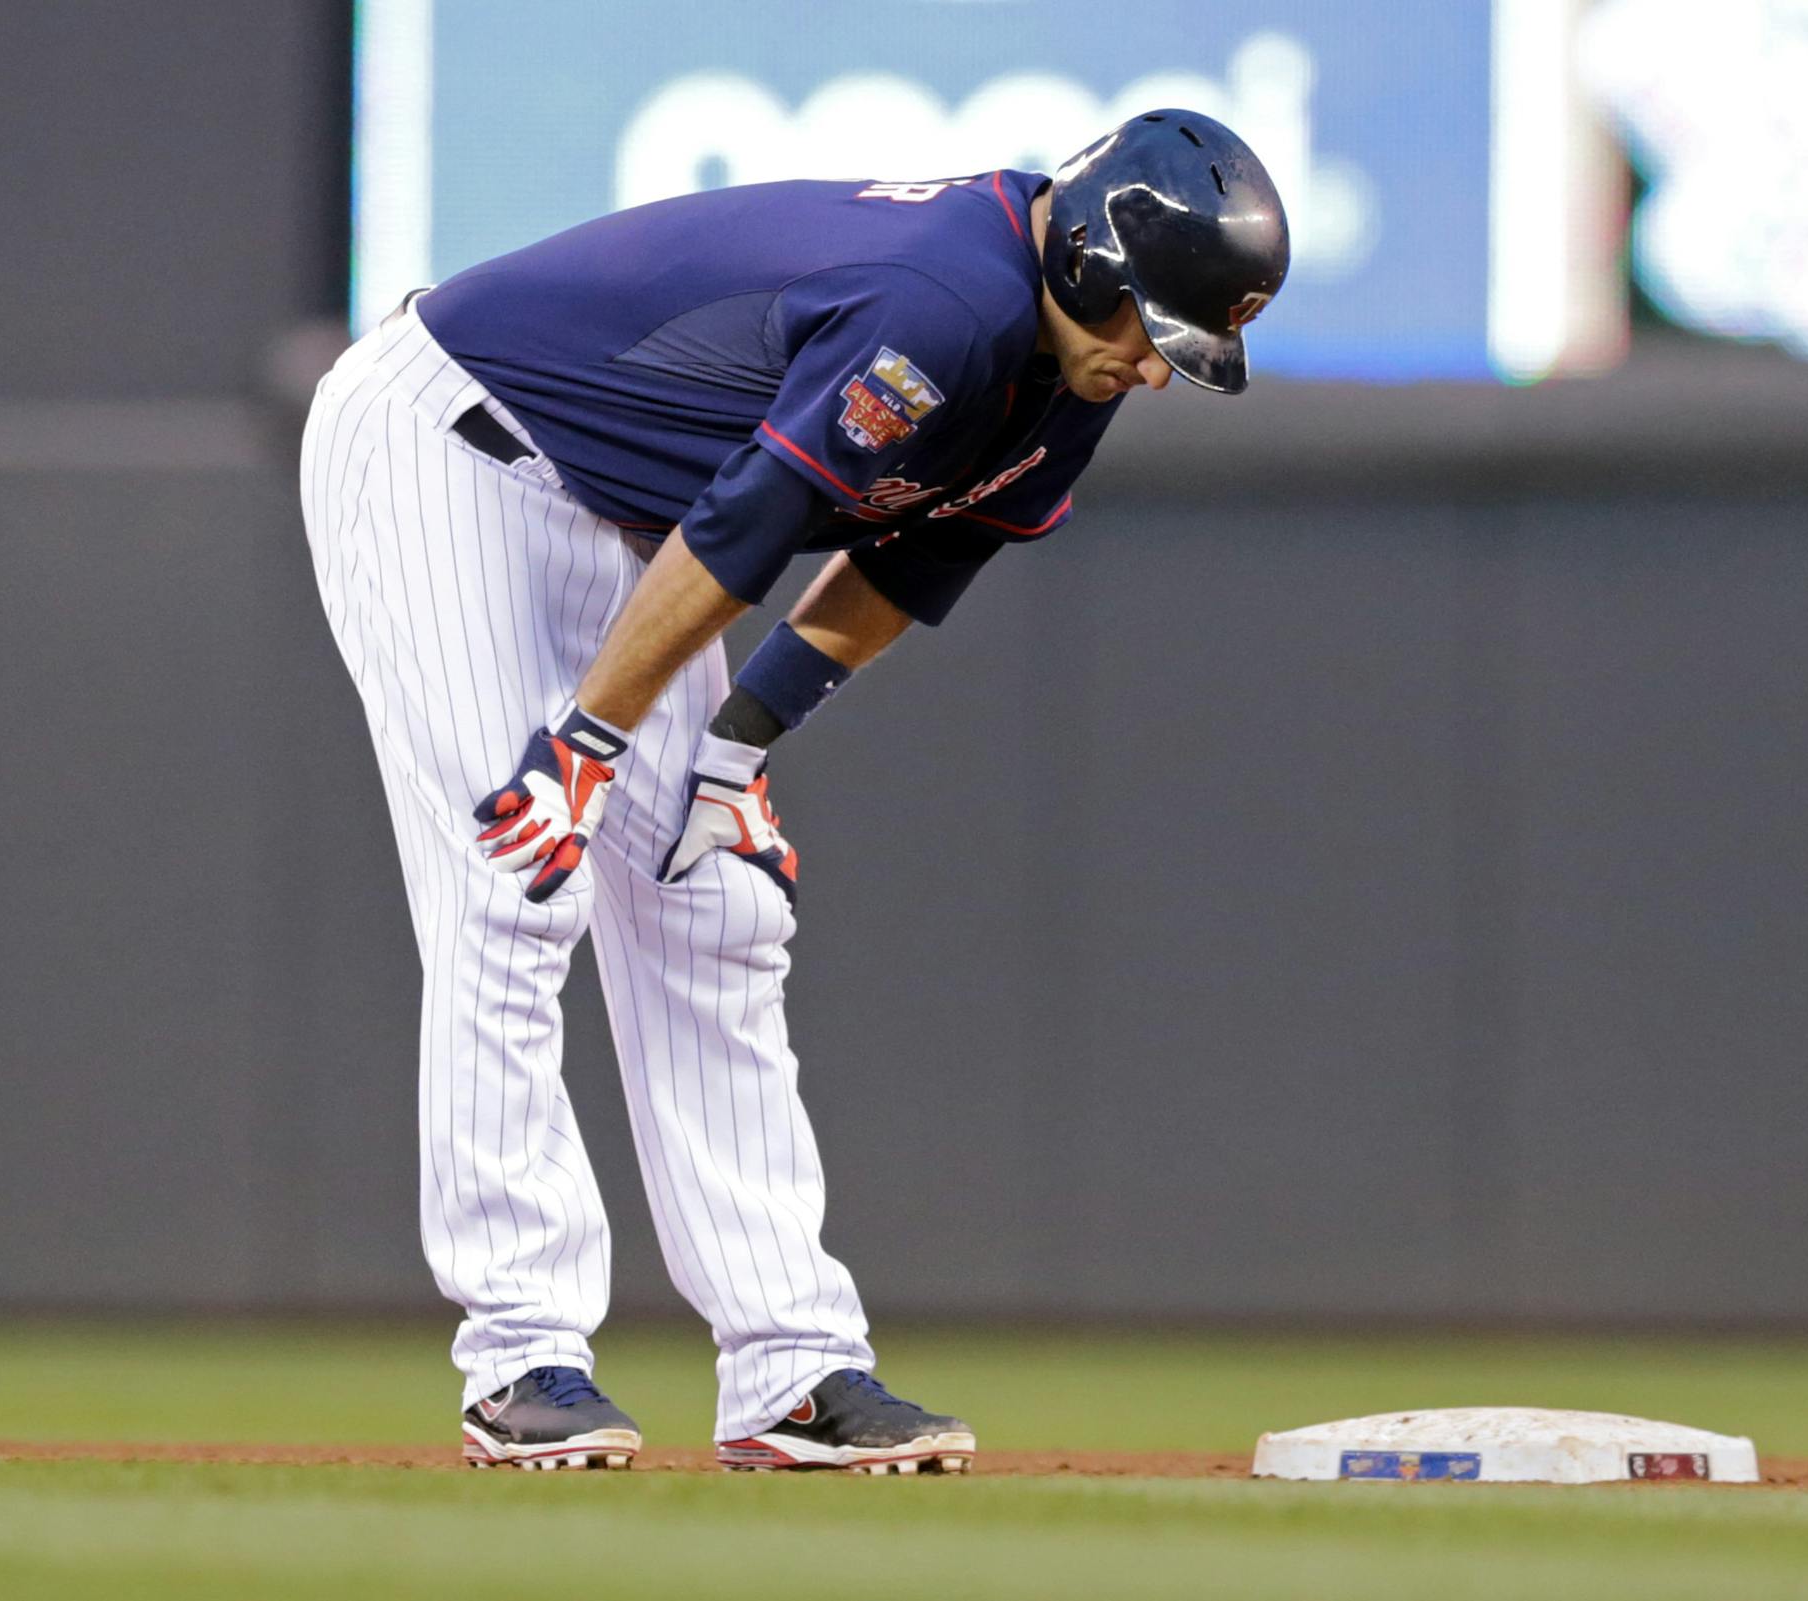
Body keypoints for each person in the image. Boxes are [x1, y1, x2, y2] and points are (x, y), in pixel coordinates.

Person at [298, 109, 1288, 1474]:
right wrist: (588, 742)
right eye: (1151, 328)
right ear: (1087, 258)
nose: (1156, 368)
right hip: (453, 445)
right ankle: (520, 1353)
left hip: (633, 520)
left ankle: (790, 1366)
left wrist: (735, 752)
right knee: (518, 867)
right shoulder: (943, 302)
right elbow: (751, 524)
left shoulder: (1076, 377)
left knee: (716, 908)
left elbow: (902, 573)